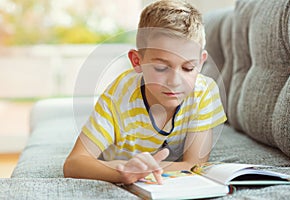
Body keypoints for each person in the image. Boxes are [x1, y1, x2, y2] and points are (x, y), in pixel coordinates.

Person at [64, 0, 227, 185]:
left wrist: (143, 171)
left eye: (188, 68)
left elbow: (194, 164)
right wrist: (123, 172)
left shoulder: (204, 92)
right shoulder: (117, 97)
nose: (175, 81)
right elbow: (74, 163)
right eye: (160, 67)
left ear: (200, 61)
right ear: (137, 61)